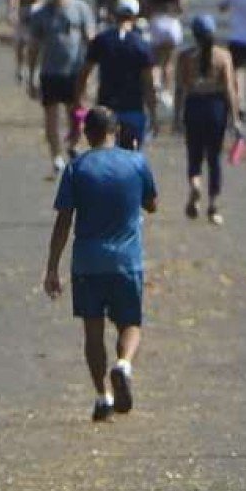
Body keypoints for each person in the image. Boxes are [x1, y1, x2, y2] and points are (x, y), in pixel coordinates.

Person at [43, 107, 160, 422]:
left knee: (92, 331)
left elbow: (64, 220)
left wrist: (52, 267)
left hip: (87, 262)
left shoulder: (77, 168)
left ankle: (102, 396)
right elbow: (152, 204)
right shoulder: (136, 163)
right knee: (130, 324)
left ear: (86, 134)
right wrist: (135, 160)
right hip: (126, 260)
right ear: (116, 130)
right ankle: (123, 365)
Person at [26, 0, 96, 177]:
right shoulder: (41, 14)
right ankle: (56, 156)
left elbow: (90, 40)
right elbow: (34, 46)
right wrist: (31, 74)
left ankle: (74, 143)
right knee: (51, 118)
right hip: (50, 72)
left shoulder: (80, 9)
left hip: (75, 71)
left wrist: (90, 72)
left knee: (77, 114)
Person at [173, 15, 240, 224]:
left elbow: (180, 89)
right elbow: (229, 88)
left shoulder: (185, 57)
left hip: (194, 106)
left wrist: (177, 116)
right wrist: (235, 117)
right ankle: (213, 204)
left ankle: (195, 185)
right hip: (215, 108)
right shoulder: (222, 56)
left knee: (194, 154)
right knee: (214, 158)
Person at [75, 0, 155, 149]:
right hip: (133, 109)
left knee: (105, 157)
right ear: (135, 16)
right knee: (131, 159)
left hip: (106, 109)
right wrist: (153, 112)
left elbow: (84, 72)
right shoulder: (141, 44)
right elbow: (148, 82)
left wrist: (80, 100)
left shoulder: (102, 40)